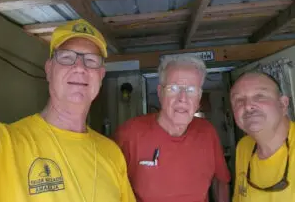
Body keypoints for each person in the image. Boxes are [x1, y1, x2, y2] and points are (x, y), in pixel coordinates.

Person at [0, 19, 136, 202]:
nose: (79, 67)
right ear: (49, 69)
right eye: (67, 57)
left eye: (91, 60)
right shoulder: (4, 143)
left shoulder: (111, 153)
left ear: (101, 76)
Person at [114, 55, 230, 202]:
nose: (182, 98)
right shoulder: (129, 134)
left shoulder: (207, 132)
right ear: (160, 92)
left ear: (199, 97)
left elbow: (221, 181)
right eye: (173, 88)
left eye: (191, 90)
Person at [230, 72, 294, 202]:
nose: (247, 106)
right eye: (239, 100)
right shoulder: (243, 146)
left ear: (283, 104)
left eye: (260, 96)